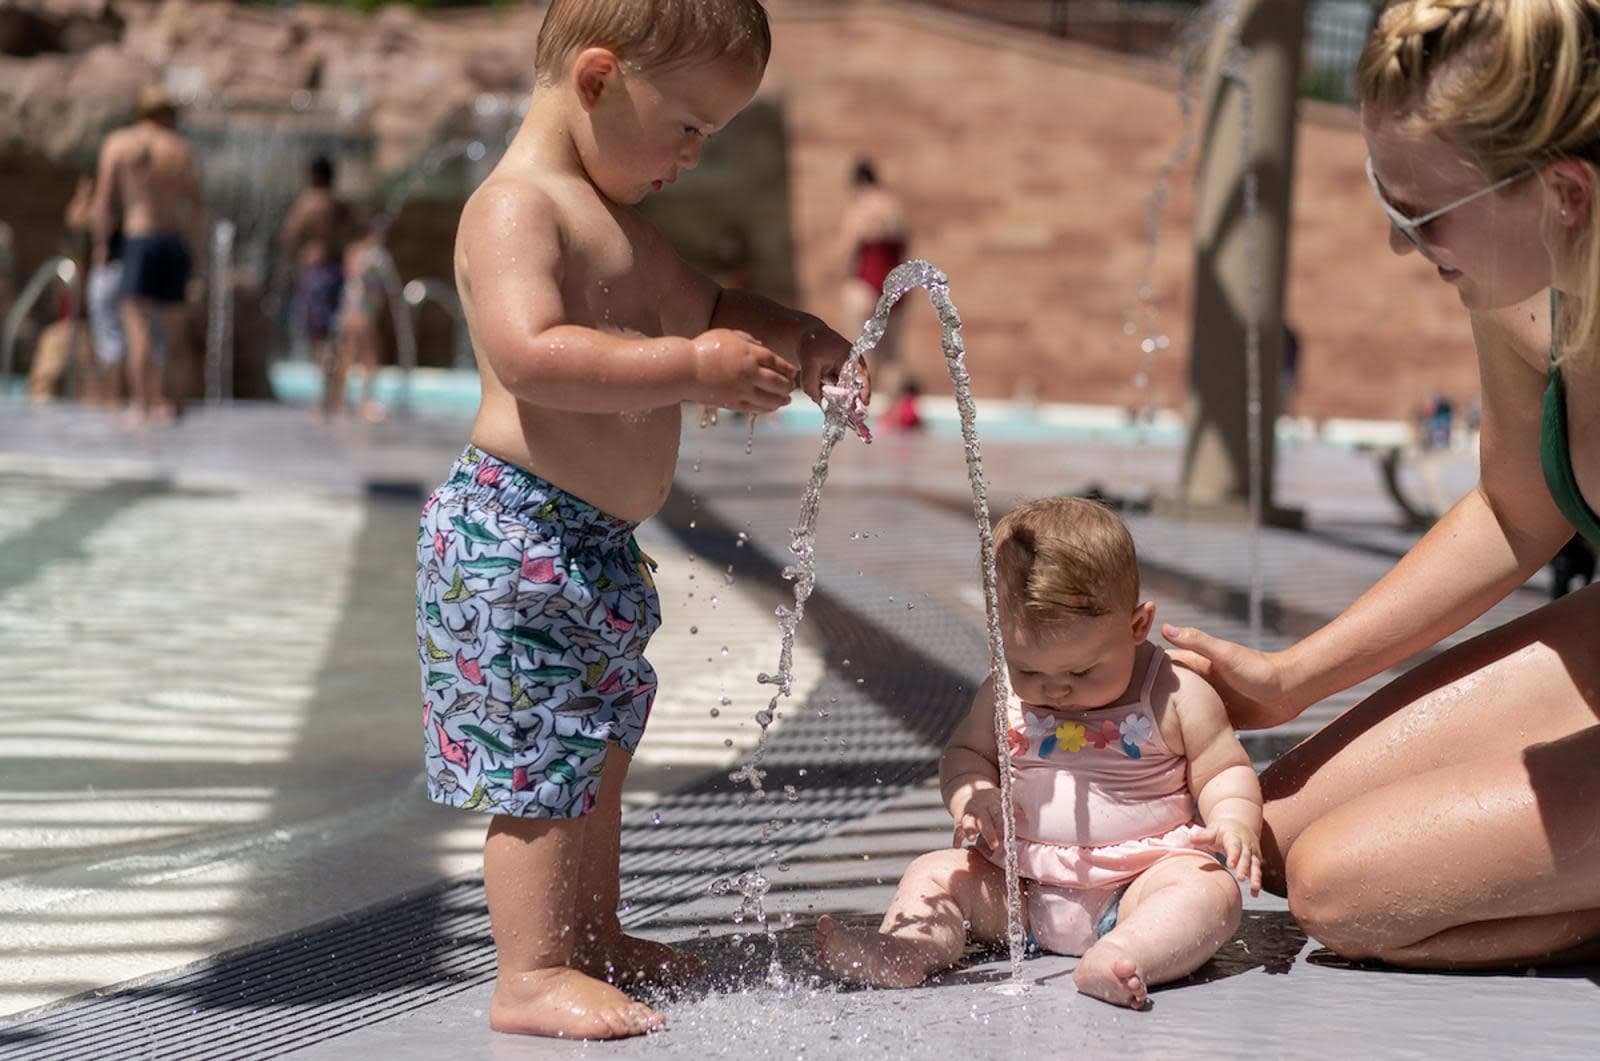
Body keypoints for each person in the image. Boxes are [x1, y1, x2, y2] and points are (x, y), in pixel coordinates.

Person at [416, 0, 855, 1040]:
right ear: (600, 79)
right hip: (512, 537)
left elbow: (716, 308)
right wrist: (690, 367)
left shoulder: (617, 227)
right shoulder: (516, 208)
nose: (694, 156)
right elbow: (530, 353)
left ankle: (591, 932)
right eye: (688, 126)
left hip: (588, 546)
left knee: (595, 748)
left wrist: (804, 338)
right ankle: (530, 973)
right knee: (538, 765)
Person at [1162, 0, 1600, 970]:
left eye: (1425, 214)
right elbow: (1513, 509)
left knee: (1343, 889)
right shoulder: (1529, 291)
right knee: (1265, 830)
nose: (1402, 244)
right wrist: (1292, 677)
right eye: (1386, 197)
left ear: (1563, 191)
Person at [816, 497, 1262, 1009]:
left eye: (1081, 671)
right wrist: (973, 795)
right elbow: (965, 754)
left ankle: (1124, 953)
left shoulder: (1175, 694)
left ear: (1137, 625)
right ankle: (909, 947)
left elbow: (1223, 768)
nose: (1056, 689)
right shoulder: (1002, 693)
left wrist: (1233, 819)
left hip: (1138, 881)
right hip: (1019, 887)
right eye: (1029, 669)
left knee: (1209, 893)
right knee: (935, 872)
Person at [92, 82, 205, 426]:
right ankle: (168, 403)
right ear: (167, 113)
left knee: (137, 325)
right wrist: (197, 253)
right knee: (174, 330)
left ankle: (141, 405)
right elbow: (196, 207)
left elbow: (104, 201)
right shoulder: (179, 149)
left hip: (139, 240)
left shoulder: (119, 144)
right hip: (173, 242)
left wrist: (101, 244)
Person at [280, 156, 351, 414]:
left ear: (312, 177)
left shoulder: (308, 204)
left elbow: (289, 235)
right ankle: (338, 395)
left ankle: (326, 399)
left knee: (319, 337)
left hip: (316, 273)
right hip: (337, 270)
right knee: (335, 334)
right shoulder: (339, 206)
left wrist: (291, 263)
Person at [837, 158, 911, 405]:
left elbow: (848, 249)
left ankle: (861, 406)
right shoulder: (895, 206)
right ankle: (892, 410)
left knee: (862, 350)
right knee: (892, 355)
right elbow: (905, 246)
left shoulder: (861, 207)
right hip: (896, 282)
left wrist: (844, 274)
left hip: (867, 280)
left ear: (857, 183)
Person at [332, 214, 390, 422]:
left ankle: (340, 400)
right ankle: (364, 401)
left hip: (357, 310)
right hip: (360, 311)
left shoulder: (357, 251)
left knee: (350, 353)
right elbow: (357, 278)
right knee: (367, 355)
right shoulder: (363, 253)